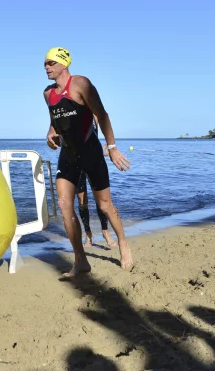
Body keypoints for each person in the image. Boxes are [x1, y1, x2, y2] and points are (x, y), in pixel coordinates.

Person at [42, 46, 133, 278]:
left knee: (105, 206)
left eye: (51, 63)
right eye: (45, 64)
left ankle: (122, 243)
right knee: (64, 205)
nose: (46, 67)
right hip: (68, 154)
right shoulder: (47, 94)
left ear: (63, 64)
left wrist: (111, 148)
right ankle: (81, 260)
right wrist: (50, 134)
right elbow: (55, 121)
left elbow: (102, 115)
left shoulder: (81, 84)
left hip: (91, 152)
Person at [75, 118, 117, 248]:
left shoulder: (94, 115)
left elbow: (101, 129)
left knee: (101, 200)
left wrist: (109, 147)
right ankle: (88, 235)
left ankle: (105, 232)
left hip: (94, 161)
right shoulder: (70, 111)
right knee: (82, 201)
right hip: (76, 161)